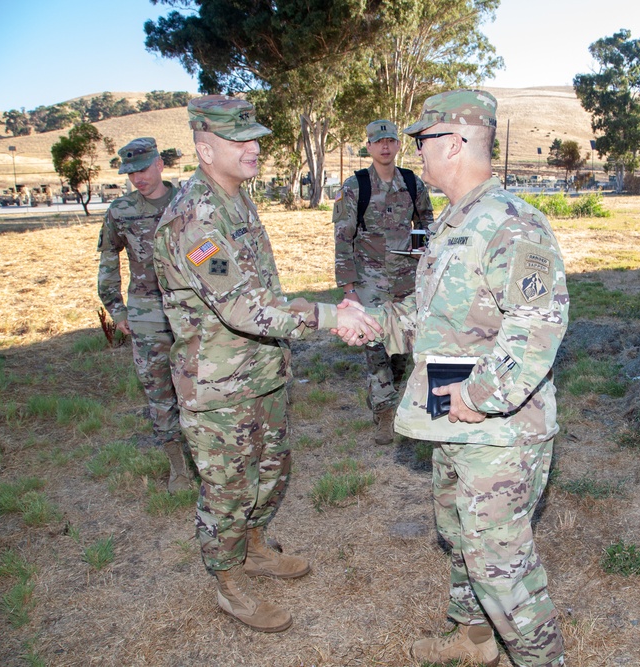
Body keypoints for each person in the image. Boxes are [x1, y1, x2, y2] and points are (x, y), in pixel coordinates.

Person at [337, 90, 569, 666]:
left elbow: (538, 326)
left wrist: (478, 396)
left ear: (456, 144)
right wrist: (372, 324)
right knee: (459, 531)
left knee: (501, 567)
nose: (416, 151)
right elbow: (427, 315)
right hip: (452, 415)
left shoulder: (513, 224)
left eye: (423, 140)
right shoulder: (453, 221)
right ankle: (474, 641)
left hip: (499, 428)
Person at [153, 95, 381, 633]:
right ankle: (228, 583)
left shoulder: (237, 201)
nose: (255, 148)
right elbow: (242, 308)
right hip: (216, 388)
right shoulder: (194, 218)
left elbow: (265, 295)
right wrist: (326, 318)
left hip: (261, 373)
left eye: (256, 137)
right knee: (228, 490)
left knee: (271, 472)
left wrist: (327, 307)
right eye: (241, 140)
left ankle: (254, 548)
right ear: (205, 149)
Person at [97, 136, 193, 493]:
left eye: (142, 169)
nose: (137, 178)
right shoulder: (121, 211)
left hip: (192, 310)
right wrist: (116, 308)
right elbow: (109, 261)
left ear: (159, 164)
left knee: (199, 386)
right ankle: (178, 467)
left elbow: (207, 251)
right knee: (158, 392)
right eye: (130, 172)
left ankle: (208, 458)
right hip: (146, 314)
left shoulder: (187, 201)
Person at [333, 119, 434, 445]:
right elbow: (342, 239)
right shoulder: (356, 186)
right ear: (369, 147)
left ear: (397, 144)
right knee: (376, 348)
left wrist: (425, 259)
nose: (385, 146)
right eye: (378, 142)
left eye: (390, 140)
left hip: (407, 283)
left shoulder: (412, 182)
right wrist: (349, 290)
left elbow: (427, 223)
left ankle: (387, 394)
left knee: (402, 349)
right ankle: (385, 412)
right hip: (370, 284)